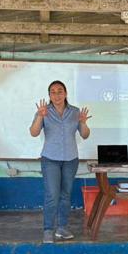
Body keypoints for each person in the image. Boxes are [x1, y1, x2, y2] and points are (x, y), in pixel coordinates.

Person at [29, 80, 92, 244]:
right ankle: (48, 230)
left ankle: (62, 228)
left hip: (71, 159)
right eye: (53, 92)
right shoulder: (44, 111)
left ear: (65, 93)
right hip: (50, 159)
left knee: (65, 195)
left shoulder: (75, 112)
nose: (56, 95)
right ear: (49, 95)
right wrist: (40, 117)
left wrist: (83, 123)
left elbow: (85, 135)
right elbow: (33, 132)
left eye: (60, 91)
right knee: (52, 195)